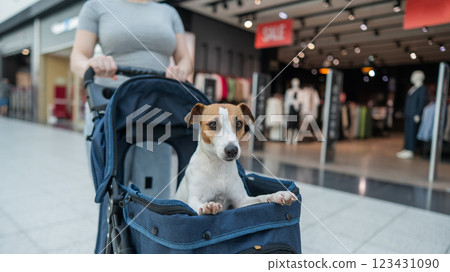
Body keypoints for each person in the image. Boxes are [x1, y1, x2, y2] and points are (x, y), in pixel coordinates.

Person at [70, 0, 192, 82]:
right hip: (109, 103)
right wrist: (89, 66)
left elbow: (184, 58)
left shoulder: (169, 12)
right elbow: (78, 57)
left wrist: (181, 71)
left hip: (161, 100)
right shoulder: (96, 5)